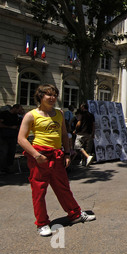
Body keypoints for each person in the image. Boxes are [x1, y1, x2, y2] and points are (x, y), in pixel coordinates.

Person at [17, 84, 95, 237]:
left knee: (63, 187)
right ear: (40, 96)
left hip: (57, 155)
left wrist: (67, 153)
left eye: (54, 95)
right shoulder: (31, 115)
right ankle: (42, 223)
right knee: (39, 191)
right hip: (39, 156)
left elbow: (65, 135)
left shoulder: (59, 114)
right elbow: (21, 139)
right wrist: (36, 155)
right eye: (48, 95)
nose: (52, 98)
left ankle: (75, 214)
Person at [0, 103, 25, 174]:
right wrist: (10, 127)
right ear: (15, 108)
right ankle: (1, 169)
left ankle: (8, 167)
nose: (20, 111)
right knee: (3, 152)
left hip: (13, 136)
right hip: (5, 136)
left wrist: (23, 114)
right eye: (19, 109)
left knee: (11, 152)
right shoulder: (4, 114)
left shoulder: (17, 117)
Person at [73, 103, 95, 167]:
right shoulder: (91, 115)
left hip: (81, 133)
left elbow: (79, 123)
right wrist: (93, 133)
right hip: (89, 133)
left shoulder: (82, 114)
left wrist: (76, 130)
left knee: (78, 147)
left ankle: (88, 157)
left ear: (83, 108)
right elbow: (93, 125)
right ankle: (84, 161)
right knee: (86, 148)